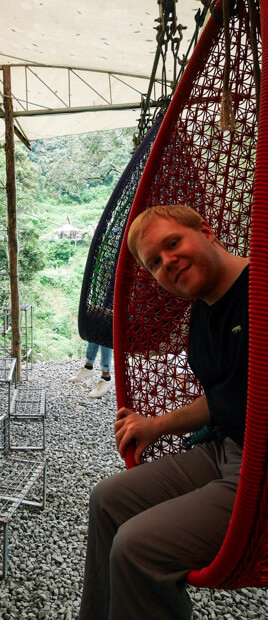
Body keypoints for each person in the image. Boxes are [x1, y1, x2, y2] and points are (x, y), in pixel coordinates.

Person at [79, 204, 249, 620]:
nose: (168, 263)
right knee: (107, 499)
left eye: (173, 244)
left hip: (258, 473)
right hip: (226, 447)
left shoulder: (258, 292)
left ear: (207, 232)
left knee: (137, 547)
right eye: (154, 262)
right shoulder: (204, 308)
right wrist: (156, 426)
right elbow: (223, 396)